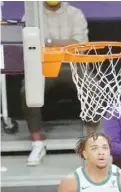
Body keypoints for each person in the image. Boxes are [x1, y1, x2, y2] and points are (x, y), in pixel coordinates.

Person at [21, 1, 92, 166]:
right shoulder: (31, 16)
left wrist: (49, 42)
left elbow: (80, 45)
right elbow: (31, 46)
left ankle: (91, 138)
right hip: (43, 64)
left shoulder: (75, 13)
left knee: (92, 86)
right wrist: (65, 43)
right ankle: (37, 143)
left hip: (73, 64)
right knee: (27, 91)